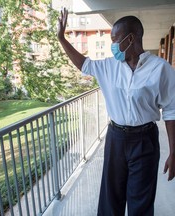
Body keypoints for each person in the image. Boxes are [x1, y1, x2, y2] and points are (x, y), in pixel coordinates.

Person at [57, 8, 175, 216]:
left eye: (115, 40)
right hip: (116, 138)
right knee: (111, 197)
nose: (112, 46)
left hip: (144, 140)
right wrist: (62, 39)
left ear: (130, 39)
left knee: (141, 200)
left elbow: (171, 111)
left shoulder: (160, 68)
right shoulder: (108, 66)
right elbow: (82, 63)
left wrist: (174, 151)